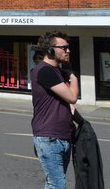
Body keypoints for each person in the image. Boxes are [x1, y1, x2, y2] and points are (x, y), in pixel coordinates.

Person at [31, 30, 78, 188]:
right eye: (64, 48)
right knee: (57, 184)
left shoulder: (56, 71)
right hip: (49, 137)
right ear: (51, 50)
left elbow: (64, 101)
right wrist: (73, 77)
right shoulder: (44, 71)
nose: (68, 51)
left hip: (61, 136)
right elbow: (72, 97)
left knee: (55, 183)